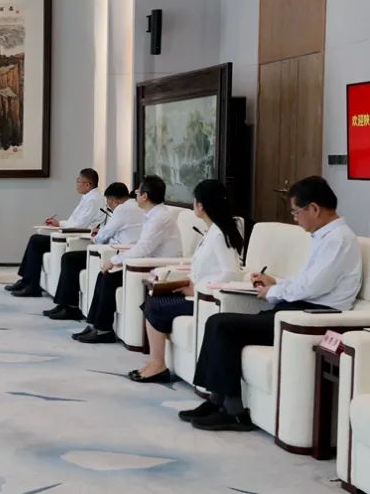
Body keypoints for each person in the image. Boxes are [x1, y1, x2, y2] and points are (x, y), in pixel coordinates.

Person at [181, 176, 363, 431]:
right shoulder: (325, 237)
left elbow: (312, 287)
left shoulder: (338, 240)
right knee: (218, 324)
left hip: (310, 316)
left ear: (314, 208)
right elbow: (307, 281)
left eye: (296, 212)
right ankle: (216, 401)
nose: (295, 219)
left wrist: (273, 291)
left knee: (221, 325)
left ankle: (233, 411)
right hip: (296, 308)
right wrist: (275, 282)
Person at [129, 179, 243, 383]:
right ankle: (155, 362)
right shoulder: (212, 231)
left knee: (155, 306)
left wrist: (197, 289)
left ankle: (157, 365)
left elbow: (231, 274)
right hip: (197, 293)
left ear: (201, 205)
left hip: (207, 300)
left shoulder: (219, 235)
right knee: (153, 300)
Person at [74, 175, 182, 343]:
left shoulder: (160, 217)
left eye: (138, 192)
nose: (135, 195)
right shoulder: (153, 214)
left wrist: (115, 260)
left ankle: (103, 330)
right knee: (104, 275)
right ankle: (96, 325)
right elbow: (142, 246)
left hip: (157, 267)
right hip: (146, 262)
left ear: (145, 196)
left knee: (108, 277)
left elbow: (143, 248)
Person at [44, 182, 144, 321]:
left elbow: (104, 235)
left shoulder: (122, 209)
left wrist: (96, 236)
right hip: (116, 250)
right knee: (71, 258)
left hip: (115, 252)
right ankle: (66, 306)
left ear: (114, 201)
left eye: (109, 205)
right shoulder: (137, 207)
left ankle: (69, 306)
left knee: (70, 259)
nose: (109, 208)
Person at [6, 168, 105, 297]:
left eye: (78, 181)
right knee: (35, 240)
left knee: (36, 241)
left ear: (87, 185)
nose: (76, 184)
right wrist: (59, 224)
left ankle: (32, 285)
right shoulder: (88, 197)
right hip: (72, 234)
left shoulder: (93, 200)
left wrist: (60, 227)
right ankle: (27, 281)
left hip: (76, 238)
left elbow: (80, 225)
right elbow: (75, 221)